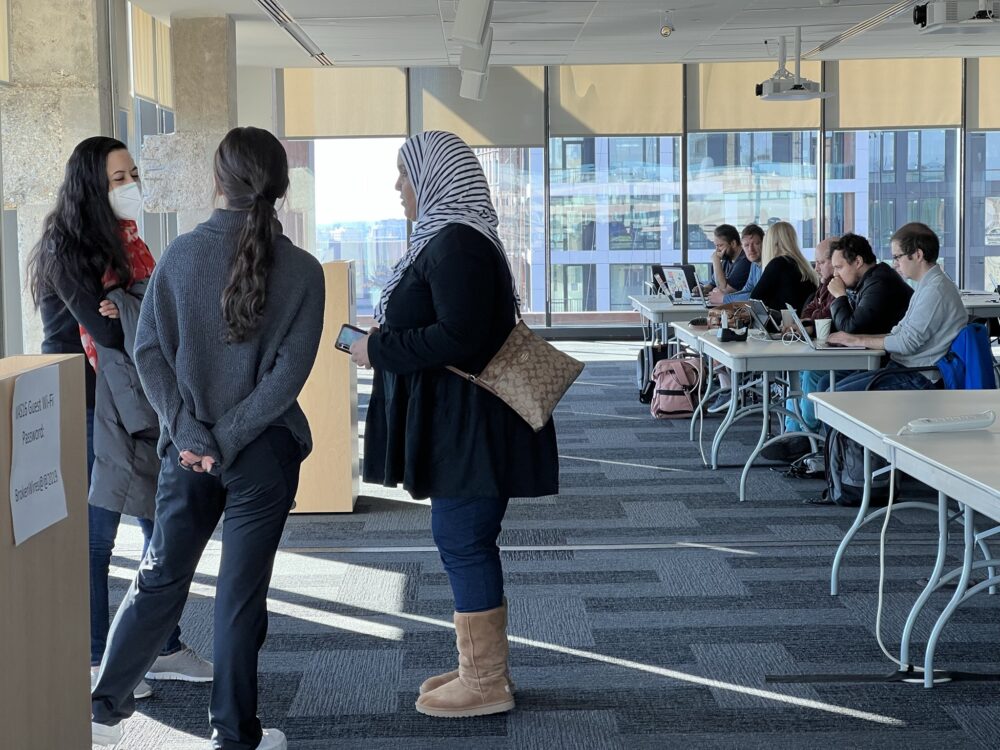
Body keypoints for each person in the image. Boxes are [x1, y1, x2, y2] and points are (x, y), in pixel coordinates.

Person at [91, 127, 325, 750]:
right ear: (278, 186)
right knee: (239, 596)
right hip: (263, 454)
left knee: (160, 577)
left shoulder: (180, 255)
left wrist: (193, 433)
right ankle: (233, 735)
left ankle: (103, 706)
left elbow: (148, 354)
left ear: (216, 181)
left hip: (188, 452)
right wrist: (227, 436)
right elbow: (286, 380)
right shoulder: (304, 271)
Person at [350, 130, 559, 719]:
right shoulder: (451, 239)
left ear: (435, 176)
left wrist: (381, 348)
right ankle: (480, 667)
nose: (398, 187)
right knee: (462, 539)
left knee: (463, 540)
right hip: (466, 422)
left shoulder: (456, 243)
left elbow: (463, 336)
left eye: (404, 173)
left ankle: (486, 680)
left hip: (473, 428)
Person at [26, 136, 211, 700]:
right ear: (90, 185)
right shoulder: (65, 247)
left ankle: (162, 644)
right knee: (98, 533)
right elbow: (107, 332)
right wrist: (136, 301)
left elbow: (154, 311)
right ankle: (93, 657)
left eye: (131, 174)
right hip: (88, 401)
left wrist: (131, 298)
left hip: (134, 396)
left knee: (162, 524)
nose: (129, 186)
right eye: (116, 178)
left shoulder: (126, 241)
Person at [826, 222, 967, 390]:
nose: (895, 264)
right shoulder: (927, 285)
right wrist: (850, 340)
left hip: (919, 375)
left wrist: (855, 339)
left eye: (897, 257)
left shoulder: (935, 291)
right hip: (904, 368)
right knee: (829, 388)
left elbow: (906, 343)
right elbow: (899, 333)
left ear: (917, 255)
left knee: (835, 394)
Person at [768, 236, 838, 460]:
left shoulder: (838, 286)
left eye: (821, 262)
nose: (816, 267)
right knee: (799, 370)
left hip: (841, 353)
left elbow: (825, 316)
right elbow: (810, 311)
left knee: (811, 373)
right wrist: (805, 323)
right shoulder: (825, 285)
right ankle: (793, 432)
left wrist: (808, 323)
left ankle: (804, 437)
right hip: (823, 345)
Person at [828, 232, 914, 336]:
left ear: (858, 262)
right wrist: (812, 327)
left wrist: (839, 297)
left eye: (839, 267)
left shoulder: (880, 283)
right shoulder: (867, 281)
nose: (835, 274)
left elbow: (852, 331)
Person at [748, 221, 818, 315]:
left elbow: (755, 300)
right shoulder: (803, 265)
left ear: (773, 243)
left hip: (784, 326)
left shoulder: (778, 264)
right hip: (802, 324)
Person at [708, 224, 764, 305]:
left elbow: (757, 295)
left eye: (756, 243)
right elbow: (747, 290)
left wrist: (724, 298)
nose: (751, 249)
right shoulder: (754, 264)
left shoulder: (747, 262)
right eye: (746, 245)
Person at [704, 224, 752, 295]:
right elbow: (713, 283)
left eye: (720, 245)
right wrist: (703, 289)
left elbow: (724, 290)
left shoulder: (745, 261)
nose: (717, 250)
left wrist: (716, 260)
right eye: (716, 246)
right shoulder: (727, 258)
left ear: (733, 243)